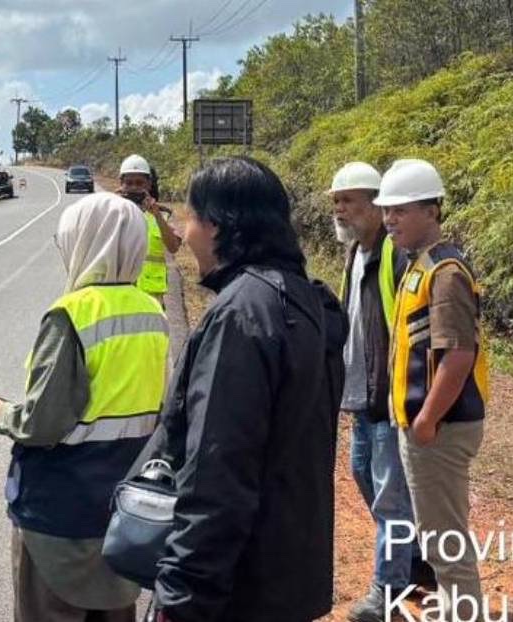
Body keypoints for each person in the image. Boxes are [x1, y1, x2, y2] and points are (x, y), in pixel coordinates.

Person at [141, 157, 347, 622]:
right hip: (290, 571)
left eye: (191, 217)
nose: (187, 233)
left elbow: (217, 468)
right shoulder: (305, 298)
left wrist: (181, 596)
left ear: (218, 225)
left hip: (237, 587)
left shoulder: (241, 315)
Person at [0, 192, 169, 622]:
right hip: (122, 513)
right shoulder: (154, 314)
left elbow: (43, 423)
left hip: (57, 514)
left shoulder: (70, 316)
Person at [377, 159, 489, 621]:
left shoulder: (444, 272)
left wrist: (425, 422)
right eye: (387, 211)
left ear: (432, 210)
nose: (389, 220)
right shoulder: (419, 266)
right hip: (430, 427)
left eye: (400, 210)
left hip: (440, 429)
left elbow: (458, 354)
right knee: (438, 535)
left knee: (445, 541)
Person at [329, 162, 432, 622]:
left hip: (389, 399)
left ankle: (386, 591)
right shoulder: (356, 253)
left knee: (389, 494)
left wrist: (408, 398)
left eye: (347, 201)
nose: (339, 210)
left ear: (376, 204)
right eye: (336, 202)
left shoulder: (395, 255)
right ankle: (411, 561)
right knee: (365, 477)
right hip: (361, 397)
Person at [117, 155, 181, 303]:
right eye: (129, 183)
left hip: (150, 296)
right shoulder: (112, 211)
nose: (134, 188)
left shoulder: (163, 215)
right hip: (119, 292)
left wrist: (156, 215)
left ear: (149, 184)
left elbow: (173, 247)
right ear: (121, 184)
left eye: (139, 183)